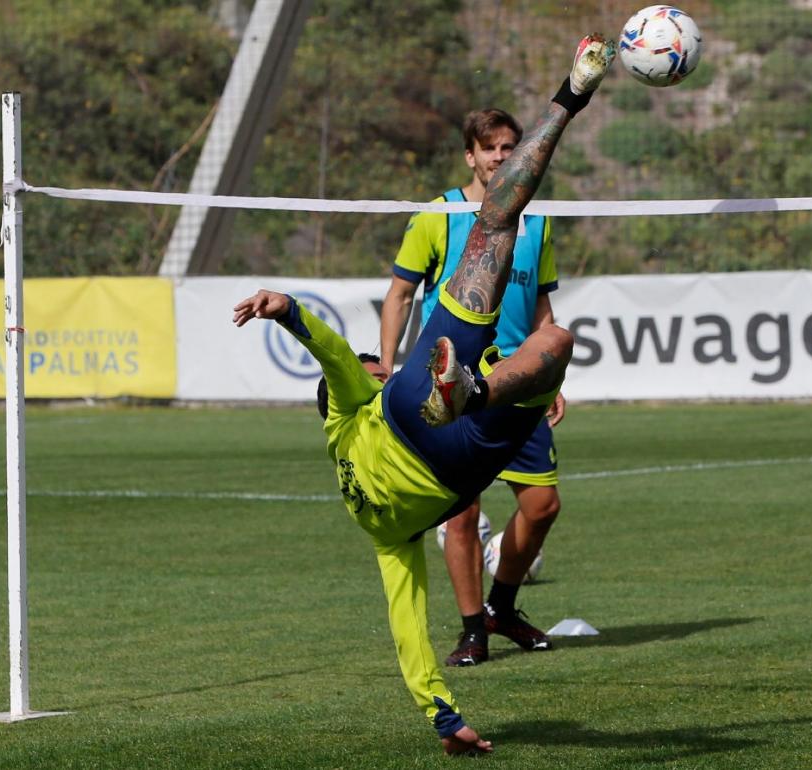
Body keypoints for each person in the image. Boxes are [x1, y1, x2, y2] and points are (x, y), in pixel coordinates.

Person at [231, 34, 615, 755]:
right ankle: (571, 95)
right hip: (415, 406)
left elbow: (405, 623)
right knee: (507, 246)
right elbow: (339, 356)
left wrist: (443, 715)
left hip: (445, 450)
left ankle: (474, 393)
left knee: (556, 344)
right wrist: (288, 311)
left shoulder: (381, 531)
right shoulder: (349, 417)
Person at [380, 107, 565, 667]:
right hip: (452, 381)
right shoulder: (437, 216)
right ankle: (471, 632)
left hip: (517, 382)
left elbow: (541, 305)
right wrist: (387, 365)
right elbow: (400, 295)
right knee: (459, 513)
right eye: (490, 148)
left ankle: (500, 608)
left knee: (542, 506)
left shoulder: (538, 223)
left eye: (510, 148)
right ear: (470, 156)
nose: (501, 157)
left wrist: (553, 375)